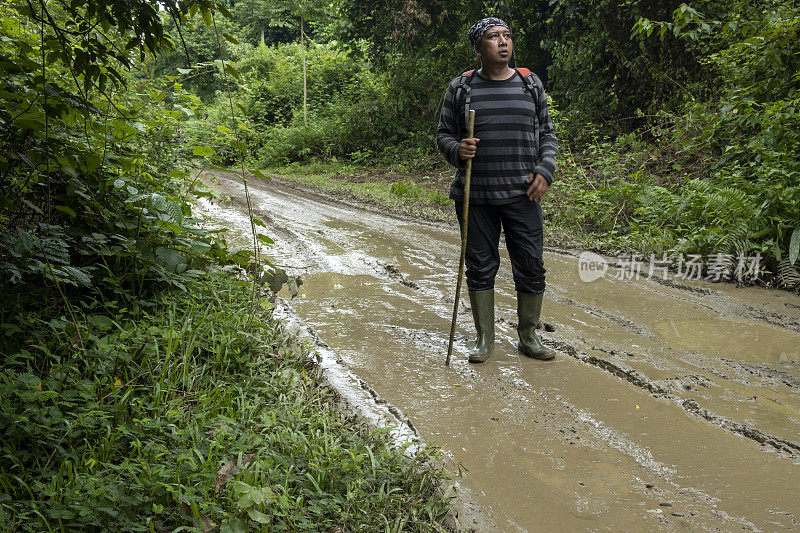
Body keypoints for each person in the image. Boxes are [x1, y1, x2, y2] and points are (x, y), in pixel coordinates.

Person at [436, 17, 557, 363]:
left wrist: (545, 171)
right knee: (479, 266)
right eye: (493, 37)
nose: (502, 42)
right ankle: (484, 339)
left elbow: (547, 134)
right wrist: (457, 149)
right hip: (476, 197)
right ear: (479, 48)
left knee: (531, 265)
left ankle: (528, 336)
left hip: (523, 195)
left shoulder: (529, 84)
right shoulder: (461, 88)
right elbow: (443, 134)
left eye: (506, 36)